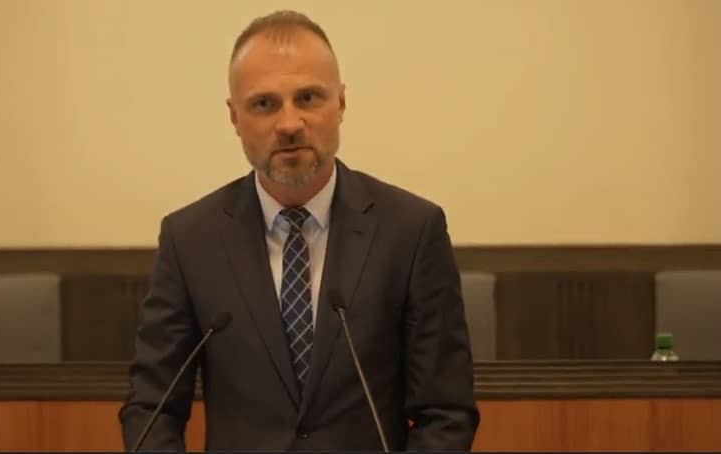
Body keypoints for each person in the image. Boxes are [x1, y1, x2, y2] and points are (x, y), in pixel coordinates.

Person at [119, 10, 479, 451]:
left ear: (340, 103)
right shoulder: (191, 239)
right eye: (264, 104)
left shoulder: (411, 231)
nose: (289, 124)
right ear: (234, 116)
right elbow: (151, 407)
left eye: (308, 98)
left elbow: (445, 413)